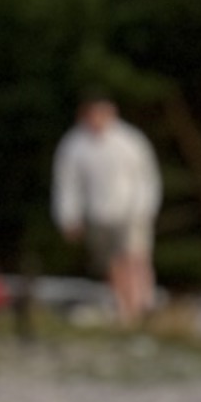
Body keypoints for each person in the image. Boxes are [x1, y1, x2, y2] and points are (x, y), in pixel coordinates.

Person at [51, 94, 163, 324]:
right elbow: (68, 185)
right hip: (99, 214)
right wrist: (68, 216)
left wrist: (145, 207)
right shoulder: (74, 145)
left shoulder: (130, 141)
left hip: (131, 211)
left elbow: (146, 177)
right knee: (113, 263)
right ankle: (124, 308)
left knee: (135, 256)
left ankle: (144, 303)